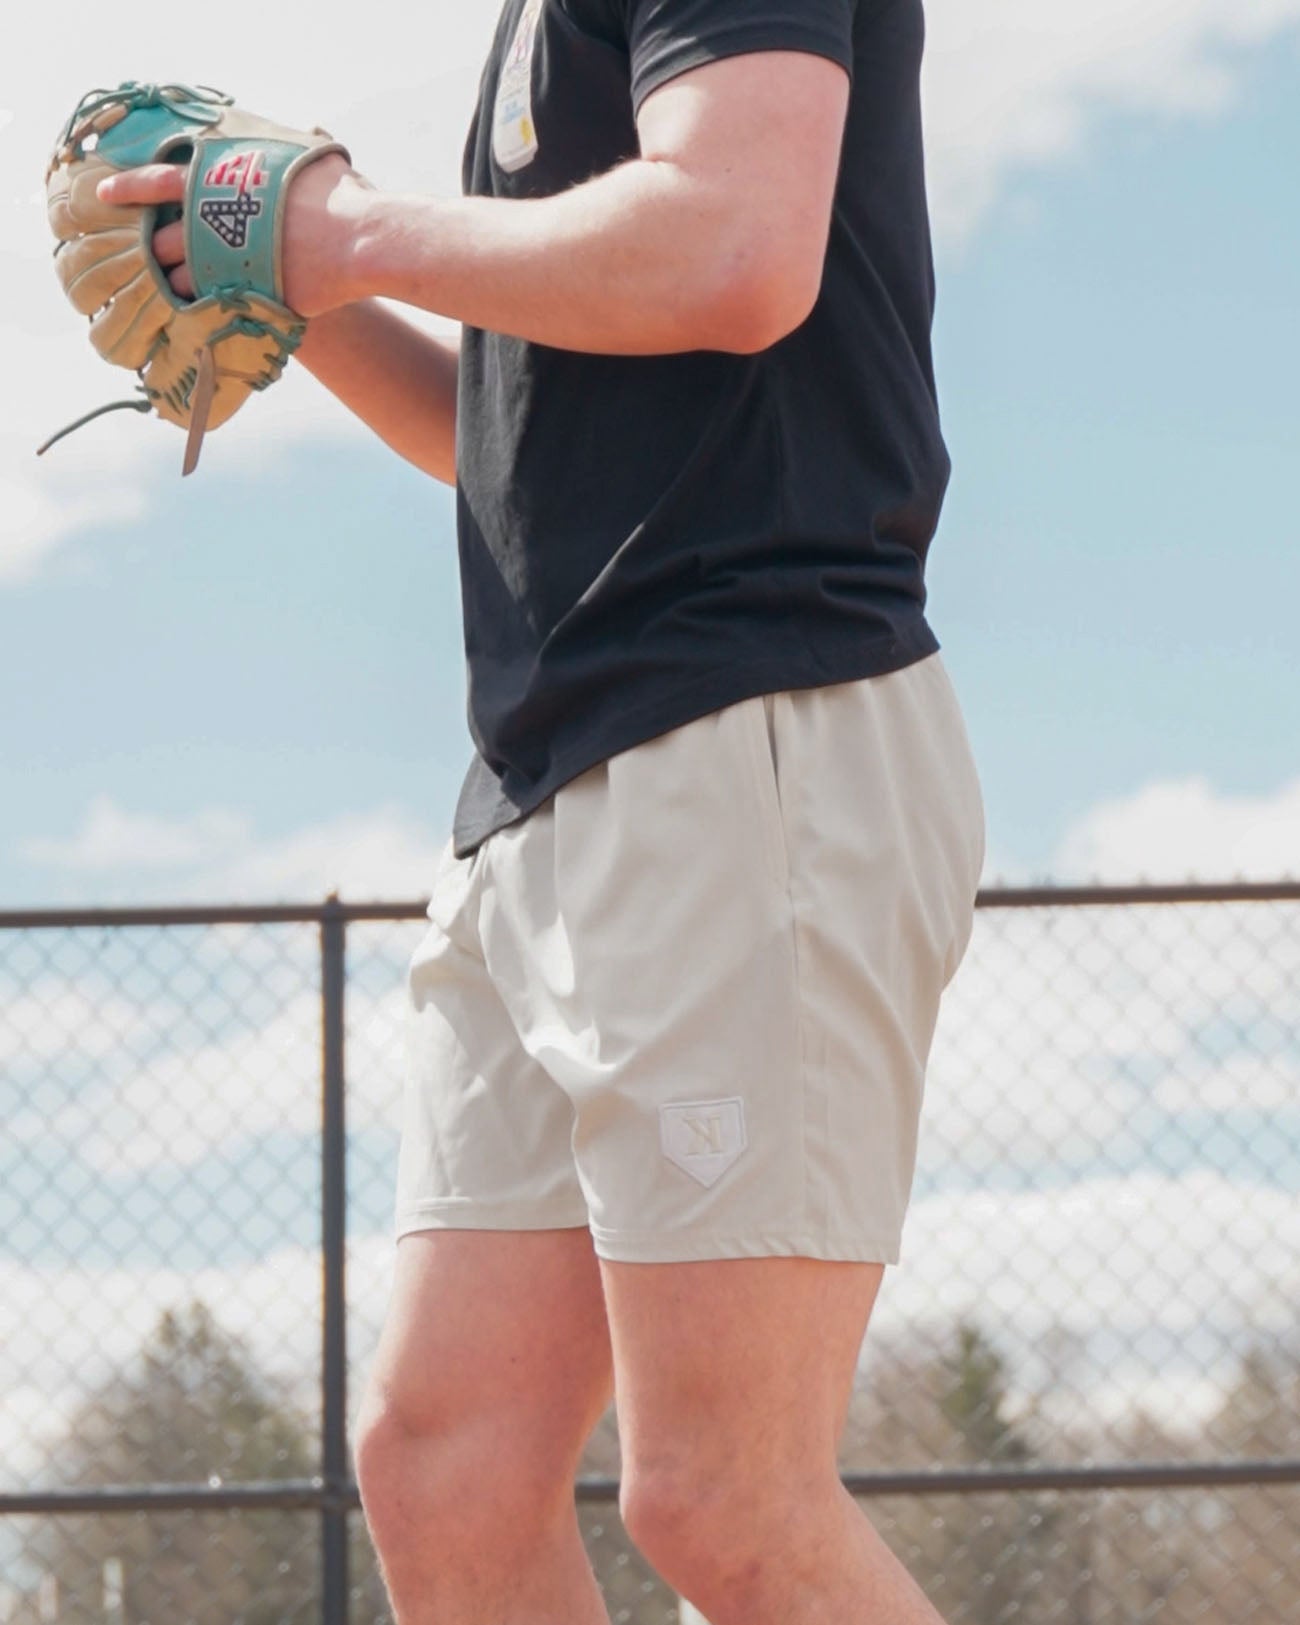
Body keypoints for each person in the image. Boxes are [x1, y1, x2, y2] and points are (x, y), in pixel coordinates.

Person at [102, 2, 985, 1619]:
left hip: (744, 726)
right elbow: (502, 438)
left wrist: (340, 221)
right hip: (544, 782)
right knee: (449, 1465)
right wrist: (301, 289)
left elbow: (732, 247)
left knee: (728, 1498)